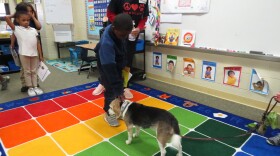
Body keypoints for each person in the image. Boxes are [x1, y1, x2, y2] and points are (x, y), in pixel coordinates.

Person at [92, 0, 149, 98]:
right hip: (118, 30)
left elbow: (144, 17)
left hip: (132, 34)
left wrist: (138, 28)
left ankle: (125, 85)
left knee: (127, 60)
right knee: (110, 61)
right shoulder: (107, 42)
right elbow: (110, 14)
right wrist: (122, 26)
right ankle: (104, 82)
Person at [94, 13, 133, 127]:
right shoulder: (107, 43)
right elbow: (110, 70)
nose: (124, 37)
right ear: (114, 29)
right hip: (106, 65)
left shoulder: (120, 32)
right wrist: (119, 89)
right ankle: (109, 113)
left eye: (127, 34)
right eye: (122, 35)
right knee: (111, 90)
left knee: (119, 87)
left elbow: (122, 47)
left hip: (116, 62)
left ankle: (117, 110)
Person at [5, 11, 44, 96]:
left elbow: (37, 43)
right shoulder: (16, 29)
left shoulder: (33, 30)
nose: (26, 22)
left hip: (34, 54)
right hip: (24, 54)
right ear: (18, 20)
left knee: (34, 71)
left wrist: (40, 55)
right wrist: (17, 13)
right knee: (27, 71)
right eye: (23, 20)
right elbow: (7, 18)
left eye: (28, 20)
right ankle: (30, 87)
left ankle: (35, 86)